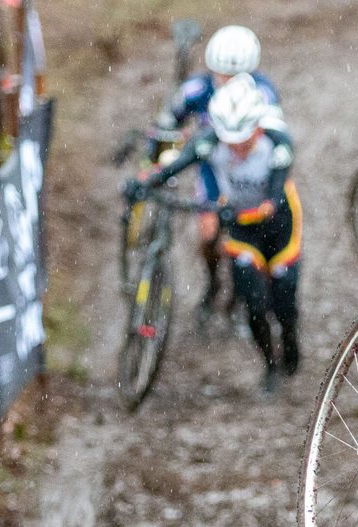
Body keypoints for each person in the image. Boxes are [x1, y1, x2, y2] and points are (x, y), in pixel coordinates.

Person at [125, 73, 302, 395]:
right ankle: (270, 364)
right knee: (253, 300)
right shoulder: (209, 141)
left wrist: (247, 210)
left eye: (244, 138)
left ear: (259, 128)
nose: (235, 146)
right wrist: (143, 182)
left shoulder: (278, 144)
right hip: (240, 229)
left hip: (279, 227)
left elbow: (274, 199)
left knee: (284, 296)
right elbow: (172, 167)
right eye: (228, 139)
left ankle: (290, 338)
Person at [150, 25, 284, 330]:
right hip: (213, 170)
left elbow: (278, 137)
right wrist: (154, 156)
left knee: (247, 234)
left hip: (249, 174)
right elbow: (169, 122)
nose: (226, 82)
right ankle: (213, 283)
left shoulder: (263, 92)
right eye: (220, 75)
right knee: (209, 234)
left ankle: (241, 292)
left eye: (234, 77)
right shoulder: (197, 89)